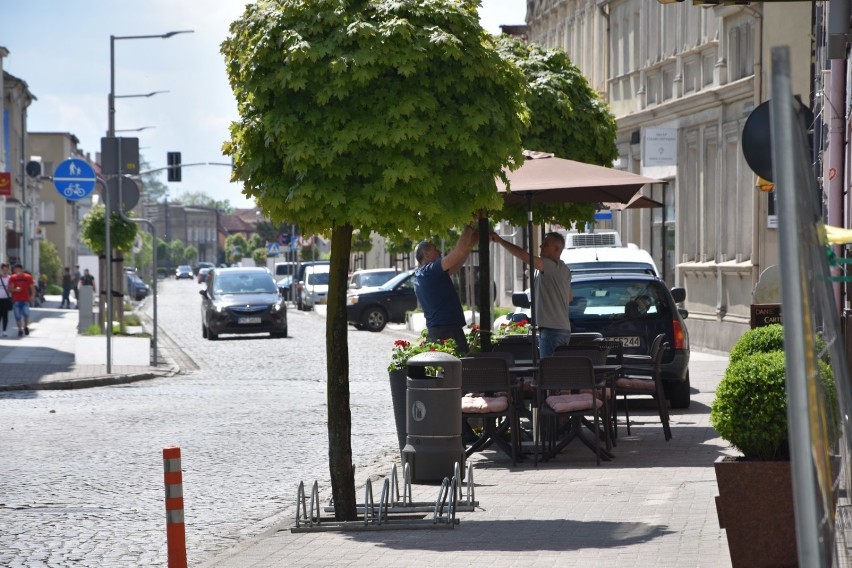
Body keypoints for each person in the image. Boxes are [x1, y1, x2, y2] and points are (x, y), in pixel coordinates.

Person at [491, 231, 572, 357]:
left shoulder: (551, 266)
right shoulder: (564, 270)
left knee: (548, 371)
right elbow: (569, 297)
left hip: (552, 331)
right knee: (556, 371)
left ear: (557, 249)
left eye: (545, 244)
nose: (541, 246)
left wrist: (500, 240)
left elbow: (524, 256)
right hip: (560, 329)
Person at [413, 224, 479, 353]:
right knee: (460, 368)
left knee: (442, 370)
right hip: (447, 330)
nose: (440, 252)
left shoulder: (422, 274)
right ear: (426, 254)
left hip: (438, 330)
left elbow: (457, 263)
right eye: (435, 249)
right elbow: (457, 253)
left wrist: (471, 242)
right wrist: (470, 226)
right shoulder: (430, 271)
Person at [8, 263, 35, 337]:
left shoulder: (28, 277)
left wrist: (32, 295)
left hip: (25, 299)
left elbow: (32, 287)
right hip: (16, 300)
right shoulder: (13, 278)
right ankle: (20, 330)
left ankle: (25, 327)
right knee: (18, 316)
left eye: (18, 269)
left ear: (21, 269)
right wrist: (15, 290)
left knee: (26, 314)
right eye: (15, 270)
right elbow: (9, 289)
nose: (17, 271)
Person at [0, 263, 12, 337]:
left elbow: (12, 288)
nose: (5, 271)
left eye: (6, 270)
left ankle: (4, 330)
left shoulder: (10, 278)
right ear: (1, 270)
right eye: (4, 270)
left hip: (6, 299)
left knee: (5, 315)